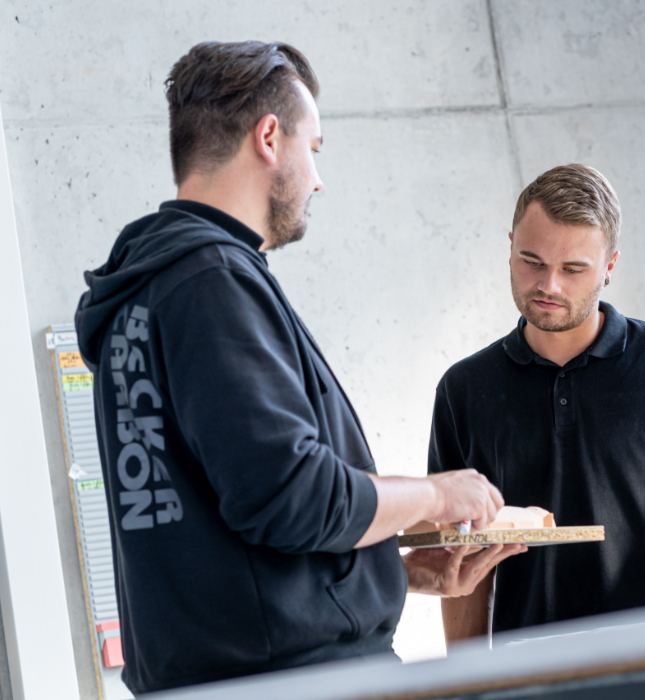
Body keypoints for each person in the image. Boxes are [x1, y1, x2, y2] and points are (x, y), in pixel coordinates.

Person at [74, 41, 522, 694]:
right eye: (313, 148)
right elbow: (288, 495)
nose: (317, 179)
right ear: (268, 137)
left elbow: (223, 533)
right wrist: (437, 494)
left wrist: (393, 569)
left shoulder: (145, 294)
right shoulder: (209, 280)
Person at [429, 164, 645, 645]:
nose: (549, 286)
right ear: (509, 247)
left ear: (609, 267)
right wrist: (468, 686)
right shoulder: (463, 389)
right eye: (531, 261)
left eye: (573, 269)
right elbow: (463, 560)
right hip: (535, 675)